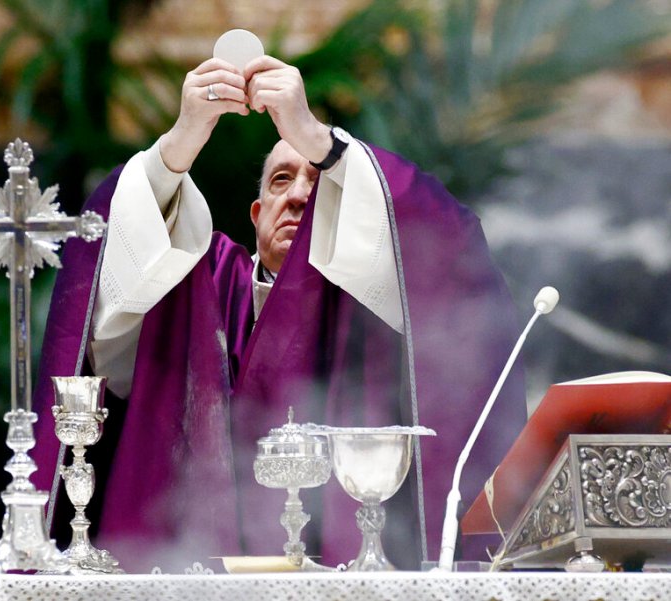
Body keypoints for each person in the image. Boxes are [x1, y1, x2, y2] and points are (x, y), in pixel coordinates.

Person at [31, 55, 526, 572]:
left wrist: (320, 141)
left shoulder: (372, 306)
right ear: (256, 213)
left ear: (347, 212)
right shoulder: (194, 284)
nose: (297, 197)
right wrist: (181, 142)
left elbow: (448, 249)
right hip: (185, 566)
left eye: (317, 183)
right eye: (281, 181)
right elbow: (114, 256)